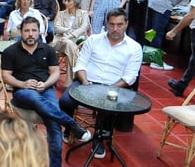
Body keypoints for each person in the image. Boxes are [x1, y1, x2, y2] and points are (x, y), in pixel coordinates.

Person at [1, 17, 91, 167]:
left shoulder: (48, 50)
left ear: (39, 32)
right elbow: (6, 76)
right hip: (23, 92)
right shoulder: (11, 51)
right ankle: (72, 125)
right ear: (21, 32)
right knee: (34, 97)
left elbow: (55, 73)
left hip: (45, 89)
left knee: (53, 122)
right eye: (27, 30)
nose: (30, 34)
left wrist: (46, 84)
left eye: (34, 30)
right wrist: (23, 84)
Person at [59, 8, 143, 157]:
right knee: (65, 101)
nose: (115, 29)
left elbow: (130, 77)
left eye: (119, 25)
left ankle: (99, 139)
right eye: (111, 24)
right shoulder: (94, 40)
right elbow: (81, 64)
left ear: (126, 24)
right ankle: (71, 128)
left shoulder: (134, 48)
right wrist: (85, 82)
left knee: (110, 106)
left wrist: (109, 89)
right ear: (106, 24)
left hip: (114, 86)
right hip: (87, 81)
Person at [51, 0, 91, 85]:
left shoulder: (83, 13)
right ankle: (78, 74)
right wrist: (68, 30)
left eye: (69, 1)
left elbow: (84, 27)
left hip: (76, 43)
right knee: (68, 43)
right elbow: (56, 28)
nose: (65, 2)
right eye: (65, 0)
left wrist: (69, 36)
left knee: (69, 50)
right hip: (60, 42)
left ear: (75, 2)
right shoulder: (61, 13)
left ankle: (69, 84)